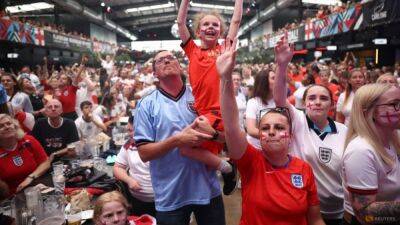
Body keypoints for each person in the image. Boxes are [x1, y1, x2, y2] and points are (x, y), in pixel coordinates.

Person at [217, 38, 325, 225]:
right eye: (265, 128)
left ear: (291, 136)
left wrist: (282, 65)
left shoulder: (304, 169)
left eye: (280, 127)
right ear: (260, 135)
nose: (272, 131)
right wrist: (225, 79)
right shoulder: (250, 162)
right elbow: (232, 126)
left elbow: (315, 219)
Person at [134, 50, 225, 225]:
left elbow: (226, 139)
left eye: (171, 58)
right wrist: (178, 140)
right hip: (171, 195)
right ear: (154, 73)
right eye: (160, 60)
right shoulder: (146, 105)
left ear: (181, 67)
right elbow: (144, 153)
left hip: (208, 189)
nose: (167, 61)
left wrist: (213, 134)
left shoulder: (200, 95)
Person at [274, 38, 348, 224]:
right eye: (312, 98)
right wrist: (282, 65)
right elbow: (279, 100)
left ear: (331, 104)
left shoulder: (344, 131)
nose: (316, 102)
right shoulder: (298, 121)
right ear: (305, 103)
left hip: (338, 211)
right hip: (302, 209)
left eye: (323, 98)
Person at [176, 0, 243, 194]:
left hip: (218, 113)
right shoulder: (192, 50)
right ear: (198, 31)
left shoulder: (224, 48)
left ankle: (228, 169)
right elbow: (180, 23)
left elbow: (236, 21)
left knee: (185, 148)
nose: (211, 27)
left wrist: (238, 1)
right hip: (202, 113)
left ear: (220, 31)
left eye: (215, 24)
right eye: (206, 24)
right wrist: (185, 2)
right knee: (200, 157)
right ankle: (227, 167)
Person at [342, 84, 400, 225]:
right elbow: (365, 216)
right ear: (369, 112)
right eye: (394, 104)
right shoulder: (361, 151)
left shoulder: (393, 136)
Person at [114, 116, 155, 217]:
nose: (129, 133)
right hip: (137, 200)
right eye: (128, 130)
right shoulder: (129, 144)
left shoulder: (158, 144)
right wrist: (129, 180)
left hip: (162, 202)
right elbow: (117, 167)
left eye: (131, 130)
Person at [0, 114, 51, 195]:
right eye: (1, 126)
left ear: (15, 126)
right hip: (13, 195)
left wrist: (30, 177)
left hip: (38, 186)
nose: (7, 127)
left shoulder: (28, 140)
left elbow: (45, 162)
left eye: (9, 123)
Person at [245, 70, 276, 149]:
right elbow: (251, 130)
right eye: (273, 78)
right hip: (256, 148)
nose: (277, 80)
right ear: (264, 82)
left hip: (274, 148)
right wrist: (273, 136)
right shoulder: (253, 102)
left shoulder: (280, 101)